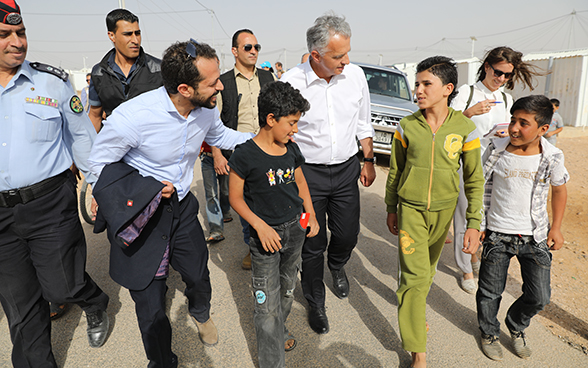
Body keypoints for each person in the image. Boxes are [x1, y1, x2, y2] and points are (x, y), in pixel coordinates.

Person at [88, 39, 253, 368]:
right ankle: (162, 360)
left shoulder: (207, 110)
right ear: (184, 88)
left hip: (182, 209)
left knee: (197, 273)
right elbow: (100, 165)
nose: (221, 85)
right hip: (143, 214)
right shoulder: (134, 116)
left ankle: (200, 312)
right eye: (212, 82)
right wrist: (143, 190)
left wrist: (264, 142)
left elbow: (220, 136)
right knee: (149, 301)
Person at [0, 1, 110, 366]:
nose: (16, 42)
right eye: (4, 35)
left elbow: (82, 138)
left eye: (21, 32)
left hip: (49, 204)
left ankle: (94, 301)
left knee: (62, 285)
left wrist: (94, 184)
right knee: (20, 305)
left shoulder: (52, 82)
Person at [385, 56, 484, 368]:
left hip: (443, 214)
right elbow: (395, 171)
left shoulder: (465, 128)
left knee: (426, 275)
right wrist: (391, 207)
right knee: (413, 279)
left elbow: (474, 178)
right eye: (417, 83)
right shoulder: (407, 126)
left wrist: (472, 224)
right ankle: (419, 351)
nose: (419, 90)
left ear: (447, 88)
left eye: (426, 83)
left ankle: (415, 315)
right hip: (411, 212)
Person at [281, 14, 376, 335]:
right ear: (315, 56)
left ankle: (336, 266)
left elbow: (364, 122)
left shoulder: (356, 76)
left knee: (348, 234)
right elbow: (281, 135)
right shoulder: (291, 83)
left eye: (347, 53)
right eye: (338, 56)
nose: (346, 61)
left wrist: (368, 159)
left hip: (347, 172)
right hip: (307, 178)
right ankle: (315, 300)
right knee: (311, 240)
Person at [228, 81, 319, 368]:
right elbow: (235, 198)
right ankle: (272, 361)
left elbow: (300, 182)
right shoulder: (244, 155)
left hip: (295, 231)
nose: (295, 130)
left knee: (288, 290)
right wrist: (260, 226)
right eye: (291, 123)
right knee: (266, 306)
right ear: (270, 119)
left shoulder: (291, 149)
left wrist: (311, 215)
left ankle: (280, 329)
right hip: (264, 239)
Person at [476, 95, 568, 361]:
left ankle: (516, 325)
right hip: (497, 233)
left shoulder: (552, 156)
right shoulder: (496, 148)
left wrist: (557, 227)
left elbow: (559, 190)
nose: (514, 128)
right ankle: (489, 332)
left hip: (535, 236)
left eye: (523, 123)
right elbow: (479, 187)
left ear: (543, 129)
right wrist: (479, 224)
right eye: (513, 120)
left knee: (539, 296)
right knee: (489, 291)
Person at [451, 46, 540, 294]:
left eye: (507, 75)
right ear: (487, 67)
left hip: (493, 167)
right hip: (465, 164)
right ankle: (466, 269)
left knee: (484, 217)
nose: (501, 79)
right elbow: (449, 126)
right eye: (498, 72)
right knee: (466, 216)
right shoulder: (467, 93)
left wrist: (507, 133)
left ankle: (475, 257)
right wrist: (469, 113)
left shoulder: (506, 99)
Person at [212, 28, 275, 269]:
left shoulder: (268, 79)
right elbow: (214, 123)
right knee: (245, 202)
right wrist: (217, 154)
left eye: (256, 47)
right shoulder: (224, 82)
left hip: (266, 150)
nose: (253, 52)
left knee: (267, 198)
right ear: (235, 51)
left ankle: (268, 242)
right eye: (248, 47)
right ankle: (253, 248)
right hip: (237, 154)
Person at [88, 8, 163, 132]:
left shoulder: (158, 70)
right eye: (128, 34)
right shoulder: (99, 73)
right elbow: (95, 116)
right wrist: (89, 149)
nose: (135, 40)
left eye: (137, 33)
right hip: (116, 146)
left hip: (151, 146)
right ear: (112, 36)